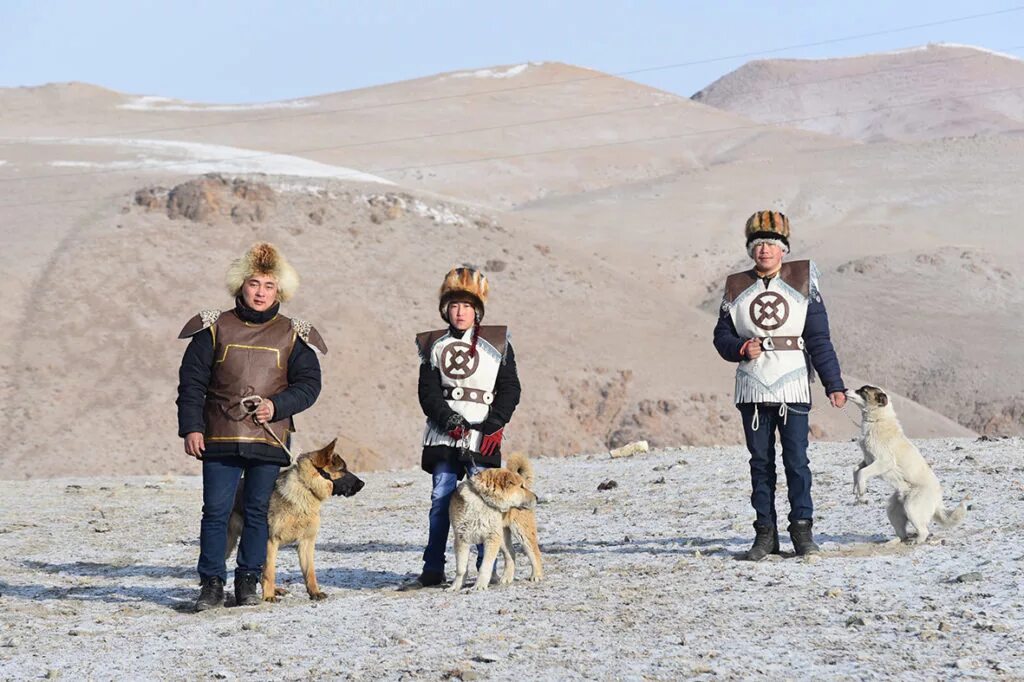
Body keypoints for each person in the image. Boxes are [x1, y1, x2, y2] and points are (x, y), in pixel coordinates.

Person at [176, 242, 326, 610]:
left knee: (258, 511)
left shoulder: (295, 333)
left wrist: (277, 405)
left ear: (280, 290)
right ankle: (211, 585)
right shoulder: (212, 328)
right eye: (255, 283)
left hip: (268, 438)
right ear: (241, 285)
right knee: (216, 511)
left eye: (269, 286)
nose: (261, 292)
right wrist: (191, 428)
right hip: (219, 435)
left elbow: (309, 385)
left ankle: (248, 583)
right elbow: (191, 384)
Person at [713, 211, 846, 560]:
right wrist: (740, 348)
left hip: (793, 385)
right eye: (758, 245)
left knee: (797, 462)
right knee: (760, 463)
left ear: (784, 249)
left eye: (771, 244)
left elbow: (818, 338)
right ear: (750, 250)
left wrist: (834, 383)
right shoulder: (735, 287)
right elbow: (721, 336)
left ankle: (802, 532)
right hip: (753, 386)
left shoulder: (804, 284)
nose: (764, 251)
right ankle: (764, 535)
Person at [401, 267, 521, 589]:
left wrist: (495, 423)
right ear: (445, 309)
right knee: (442, 499)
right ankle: (432, 567)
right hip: (443, 434)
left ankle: (486, 566)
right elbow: (427, 392)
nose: (460, 312)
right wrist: (448, 419)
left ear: (477, 310)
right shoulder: (432, 346)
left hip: (484, 433)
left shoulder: (499, 344)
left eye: (467, 306)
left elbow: (511, 388)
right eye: (454, 305)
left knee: (486, 503)